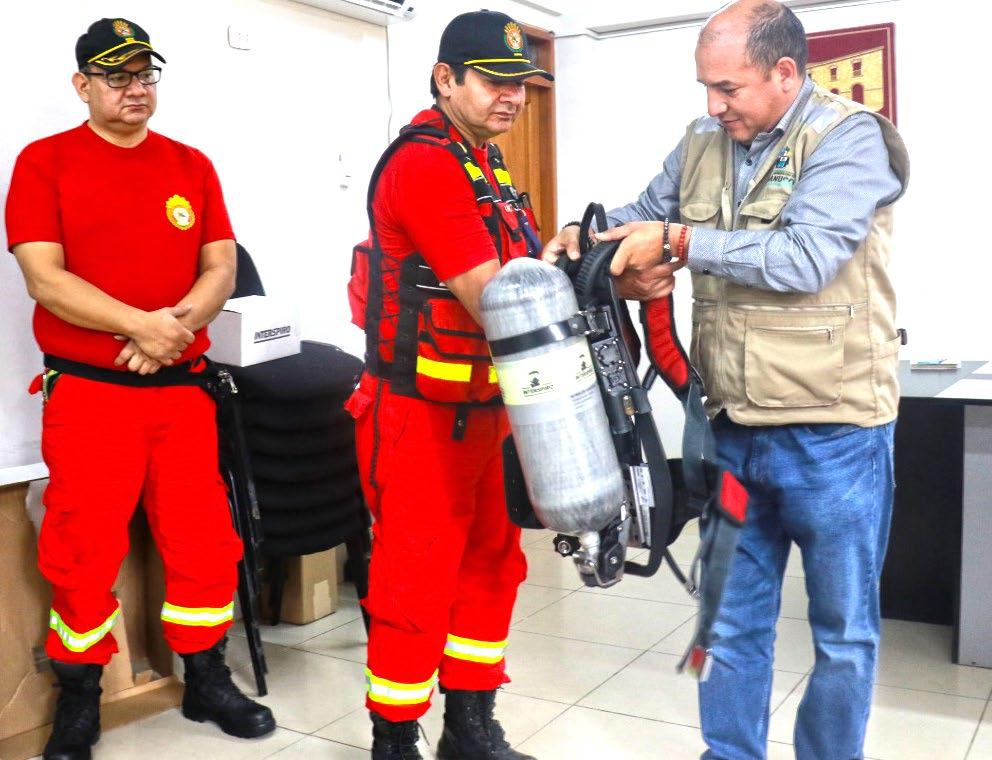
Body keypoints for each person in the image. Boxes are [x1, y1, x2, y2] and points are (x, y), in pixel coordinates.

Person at [545, 1, 910, 757]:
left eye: (728, 89)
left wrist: (680, 241)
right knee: (728, 622)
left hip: (833, 437)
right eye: (706, 88)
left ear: (785, 73)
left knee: (842, 633)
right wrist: (585, 235)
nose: (714, 106)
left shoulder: (849, 139)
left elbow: (805, 258)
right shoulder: (702, 141)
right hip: (732, 434)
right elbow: (642, 215)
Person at [5, 18, 275, 759]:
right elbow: (44, 278)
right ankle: (80, 699)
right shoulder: (44, 162)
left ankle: (207, 679)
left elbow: (221, 266)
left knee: (202, 540)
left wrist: (172, 332)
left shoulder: (190, 164)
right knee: (82, 548)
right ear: (82, 85)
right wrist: (142, 327)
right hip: (91, 397)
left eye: (145, 75)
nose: (135, 89)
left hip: (182, 393)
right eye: (117, 76)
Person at [344, 10, 551, 760]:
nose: (512, 96)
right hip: (418, 416)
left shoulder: (487, 164)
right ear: (445, 79)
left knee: (492, 566)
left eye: (520, 83)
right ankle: (394, 738)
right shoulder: (426, 165)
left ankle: (469, 727)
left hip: (489, 409)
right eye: (495, 82)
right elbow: (495, 298)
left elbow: (523, 272)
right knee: (414, 577)